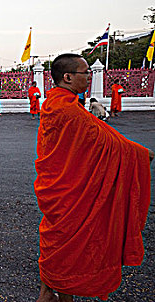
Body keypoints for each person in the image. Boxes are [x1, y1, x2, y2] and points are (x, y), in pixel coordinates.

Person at [34, 54, 153, 302]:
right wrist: (141, 156)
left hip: (61, 189)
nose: (89, 77)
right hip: (69, 193)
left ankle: (54, 292)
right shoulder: (67, 110)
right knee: (64, 245)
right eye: (85, 73)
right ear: (67, 77)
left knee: (59, 244)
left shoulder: (57, 103)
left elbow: (99, 136)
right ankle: (52, 293)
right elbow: (105, 141)